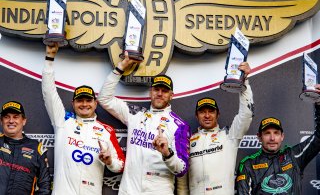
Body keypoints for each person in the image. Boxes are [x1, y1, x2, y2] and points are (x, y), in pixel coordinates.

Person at [97, 52, 190, 194]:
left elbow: (182, 169)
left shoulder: (179, 125)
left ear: (171, 95)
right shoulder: (136, 114)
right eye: (156, 89)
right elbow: (104, 99)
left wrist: (167, 153)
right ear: (150, 92)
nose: (159, 93)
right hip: (129, 190)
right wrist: (121, 67)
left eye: (164, 91)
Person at [42, 43, 125, 195]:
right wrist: (49, 59)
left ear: (95, 103)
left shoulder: (106, 131)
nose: (84, 104)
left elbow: (121, 165)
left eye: (88, 100)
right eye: (80, 100)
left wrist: (109, 162)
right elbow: (49, 92)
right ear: (73, 104)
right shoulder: (63, 122)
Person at [178, 62, 254, 195]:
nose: (207, 115)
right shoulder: (188, 141)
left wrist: (245, 82)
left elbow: (246, 114)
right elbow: (183, 178)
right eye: (202, 112)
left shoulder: (229, 136)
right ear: (197, 116)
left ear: (217, 114)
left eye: (211, 111)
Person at [236, 93, 320, 194]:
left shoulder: (294, 156)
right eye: (267, 133)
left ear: (282, 136)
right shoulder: (248, 164)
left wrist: (319, 103)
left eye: (276, 133)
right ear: (259, 137)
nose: (272, 138)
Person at [0, 100, 51, 195]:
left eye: (16, 117)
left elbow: (44, 187)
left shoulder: (37, 148)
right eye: (7, 117)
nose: (11, 121)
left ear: (23, 121)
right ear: (1, 121)